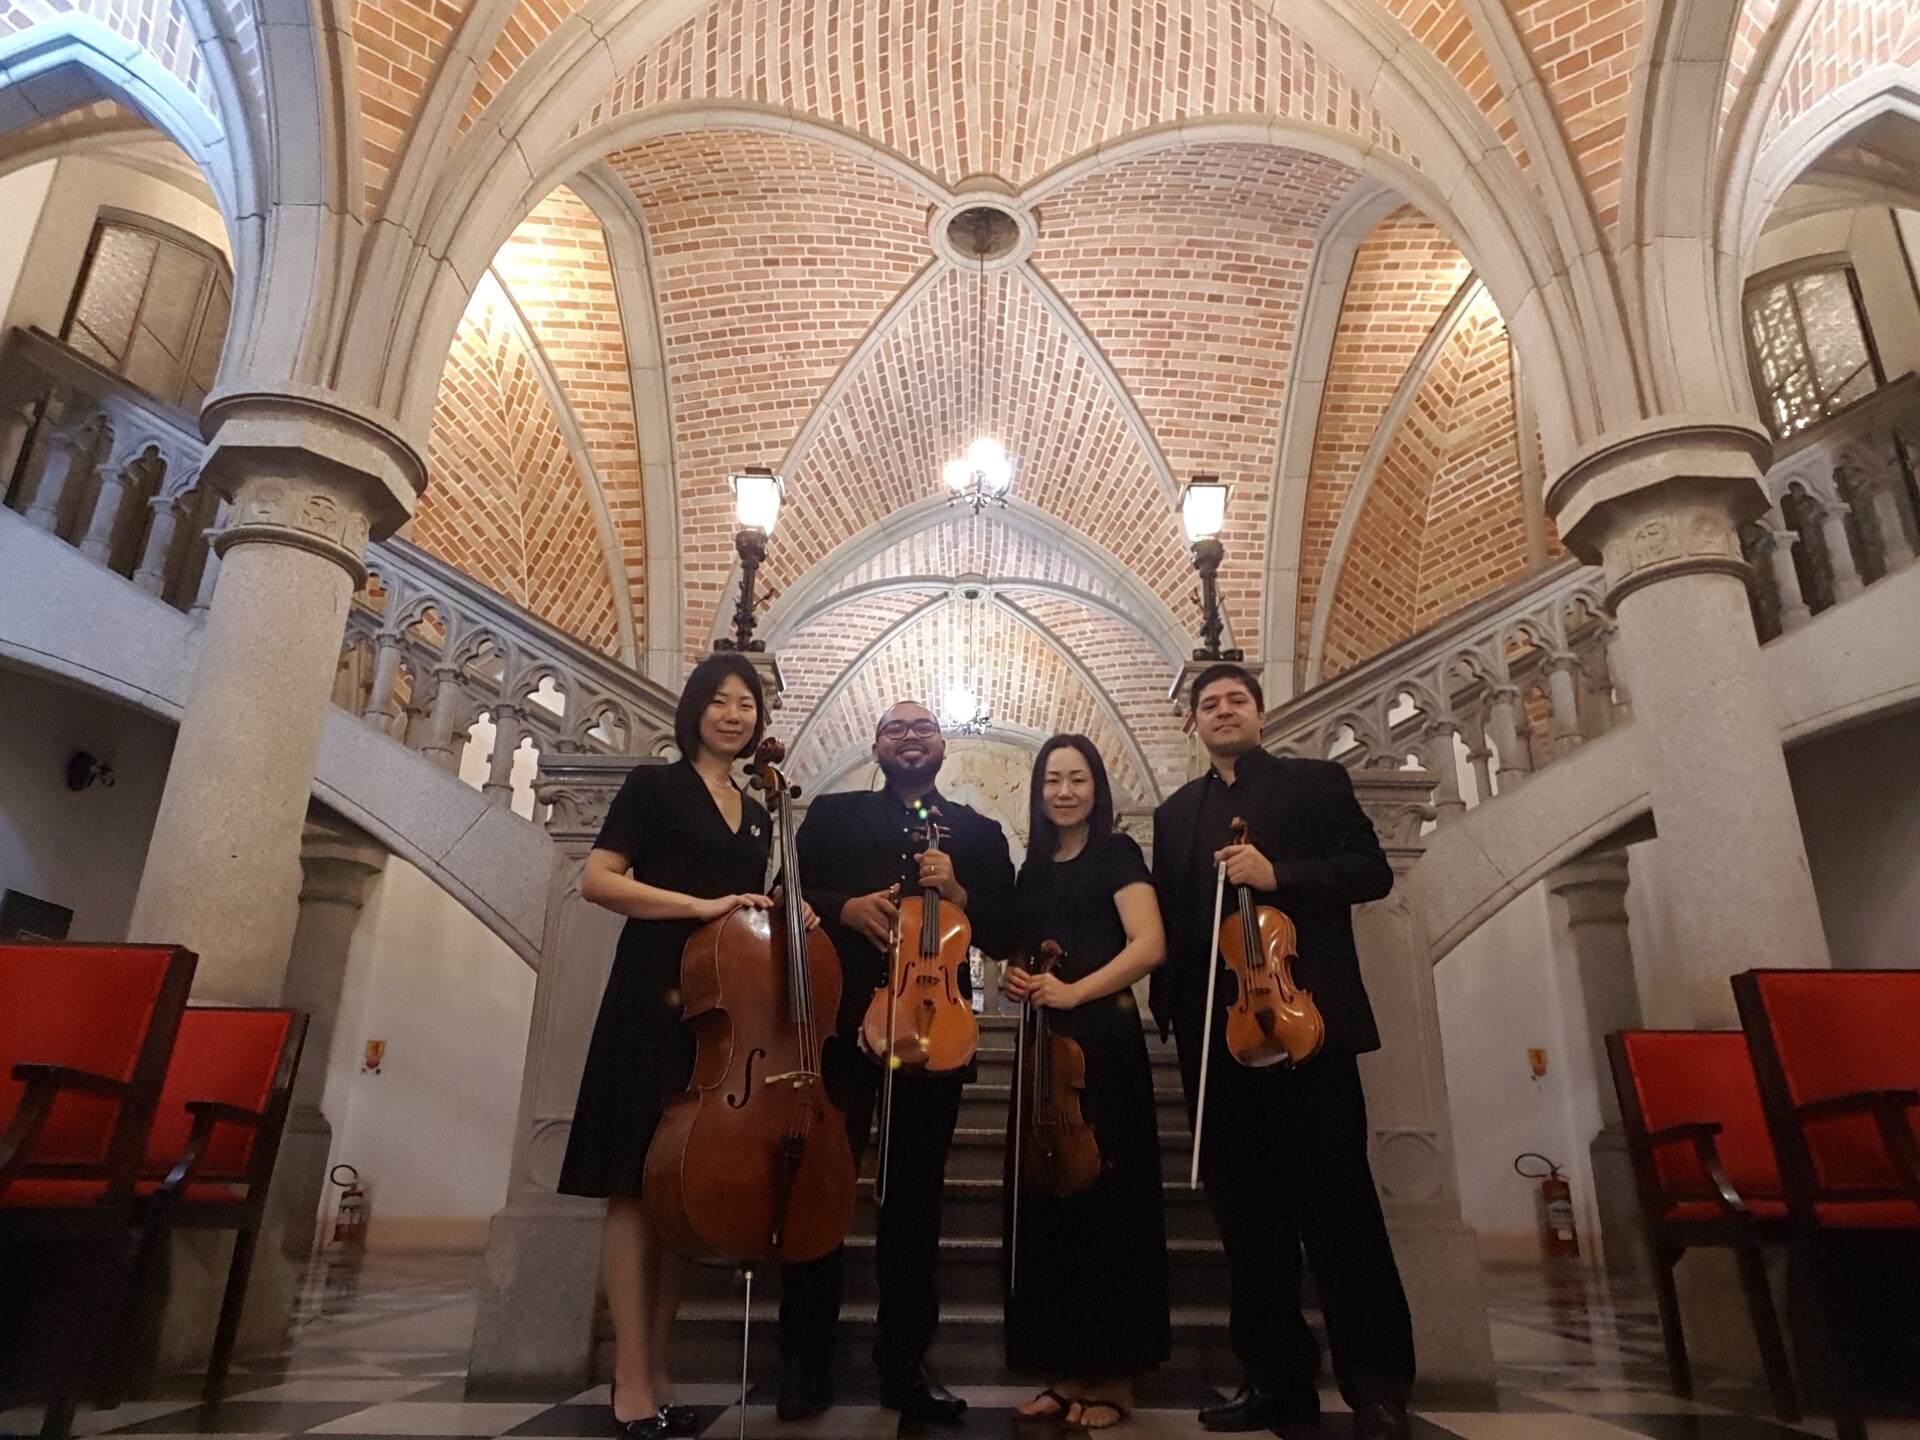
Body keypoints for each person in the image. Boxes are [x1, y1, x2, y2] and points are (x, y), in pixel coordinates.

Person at [1150, 663, 1414, 1440]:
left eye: (1236, 700)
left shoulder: (1314, 783)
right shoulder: (1176, 815)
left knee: (1342, 1214)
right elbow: (1172, 922)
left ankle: (1378, 1389)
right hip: (1216, 1041)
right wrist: (1173, 1015)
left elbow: (1372, 873)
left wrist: (1279, 875)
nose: (1223, 710)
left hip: (1308, 1034)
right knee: (1249, 1225)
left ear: (1260, 715)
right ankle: (1275, 1381)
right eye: (1209, 704)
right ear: (1193, 724)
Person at [557, 652, 788, 1439]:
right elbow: (598, 879)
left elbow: (751, 903)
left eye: (746, 704)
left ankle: (660, 1369)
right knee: (632, 1180)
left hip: (717, 1010)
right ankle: (629, 1377)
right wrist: (699, 904)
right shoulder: (654, 787)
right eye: (719, 701)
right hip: (652, 992)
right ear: (693, 710)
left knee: (681, 1188)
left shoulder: (758, 809)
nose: (733, 714)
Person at [776, 701, 1018, 1423]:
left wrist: (962, 891)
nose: (909, 737)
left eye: (922, 728)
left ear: (944, 746)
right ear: (875, 746)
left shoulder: (977, 833)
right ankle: (804, 1358)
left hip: (933, 1027)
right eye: (894, 729)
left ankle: (905, 1363)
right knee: (820, 1188)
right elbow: (785, 894)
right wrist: (843, 907)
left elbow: (1005, 932)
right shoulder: (832, 817)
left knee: (915, 1203)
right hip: (840, 1028)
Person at [1001, 734, 1170, 1430]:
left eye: (1077, 779)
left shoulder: (1117, 855)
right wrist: (1019, 980)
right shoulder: (1032, 870)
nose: (1064, 791)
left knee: (1107, 1208)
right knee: (1047, 1209)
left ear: (1097, 788)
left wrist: (1074, 994)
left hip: (1103, 1047)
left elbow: (1149, 945)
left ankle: (1114, 1380)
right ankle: (1065, 1372)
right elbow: (1021, 951)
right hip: (1042, 1051)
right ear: (1038, 793)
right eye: (1052, 781)